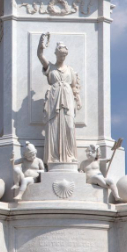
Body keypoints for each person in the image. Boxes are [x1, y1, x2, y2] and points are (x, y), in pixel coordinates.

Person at [37, 34, 81, 164]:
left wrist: (78, 99)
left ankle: (69, 154)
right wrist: (41, 45)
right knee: (54, 125)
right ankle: (54, 156)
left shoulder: (70, 70)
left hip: (67, 97)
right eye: (60, 55)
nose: (62, 57)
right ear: (56, 54)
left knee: (69, 125)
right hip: (54, 97)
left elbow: (74, 87)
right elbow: (40, 55)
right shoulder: (50, 67)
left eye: (64, 55)